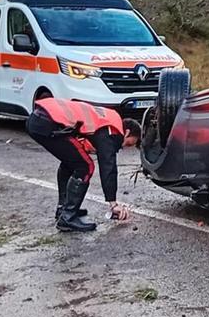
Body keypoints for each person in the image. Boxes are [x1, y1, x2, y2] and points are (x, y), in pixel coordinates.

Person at [25, 98, 142, 233]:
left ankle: (63, 209)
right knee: (85, 166)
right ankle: (68, 217)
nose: (123, 147)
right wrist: (113, 203)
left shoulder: (107, 118)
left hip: (39, 118)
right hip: (47, 122)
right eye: (127, 144)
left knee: (71, 163)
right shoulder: (112, 131)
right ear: (126, 132)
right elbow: (108, 166)